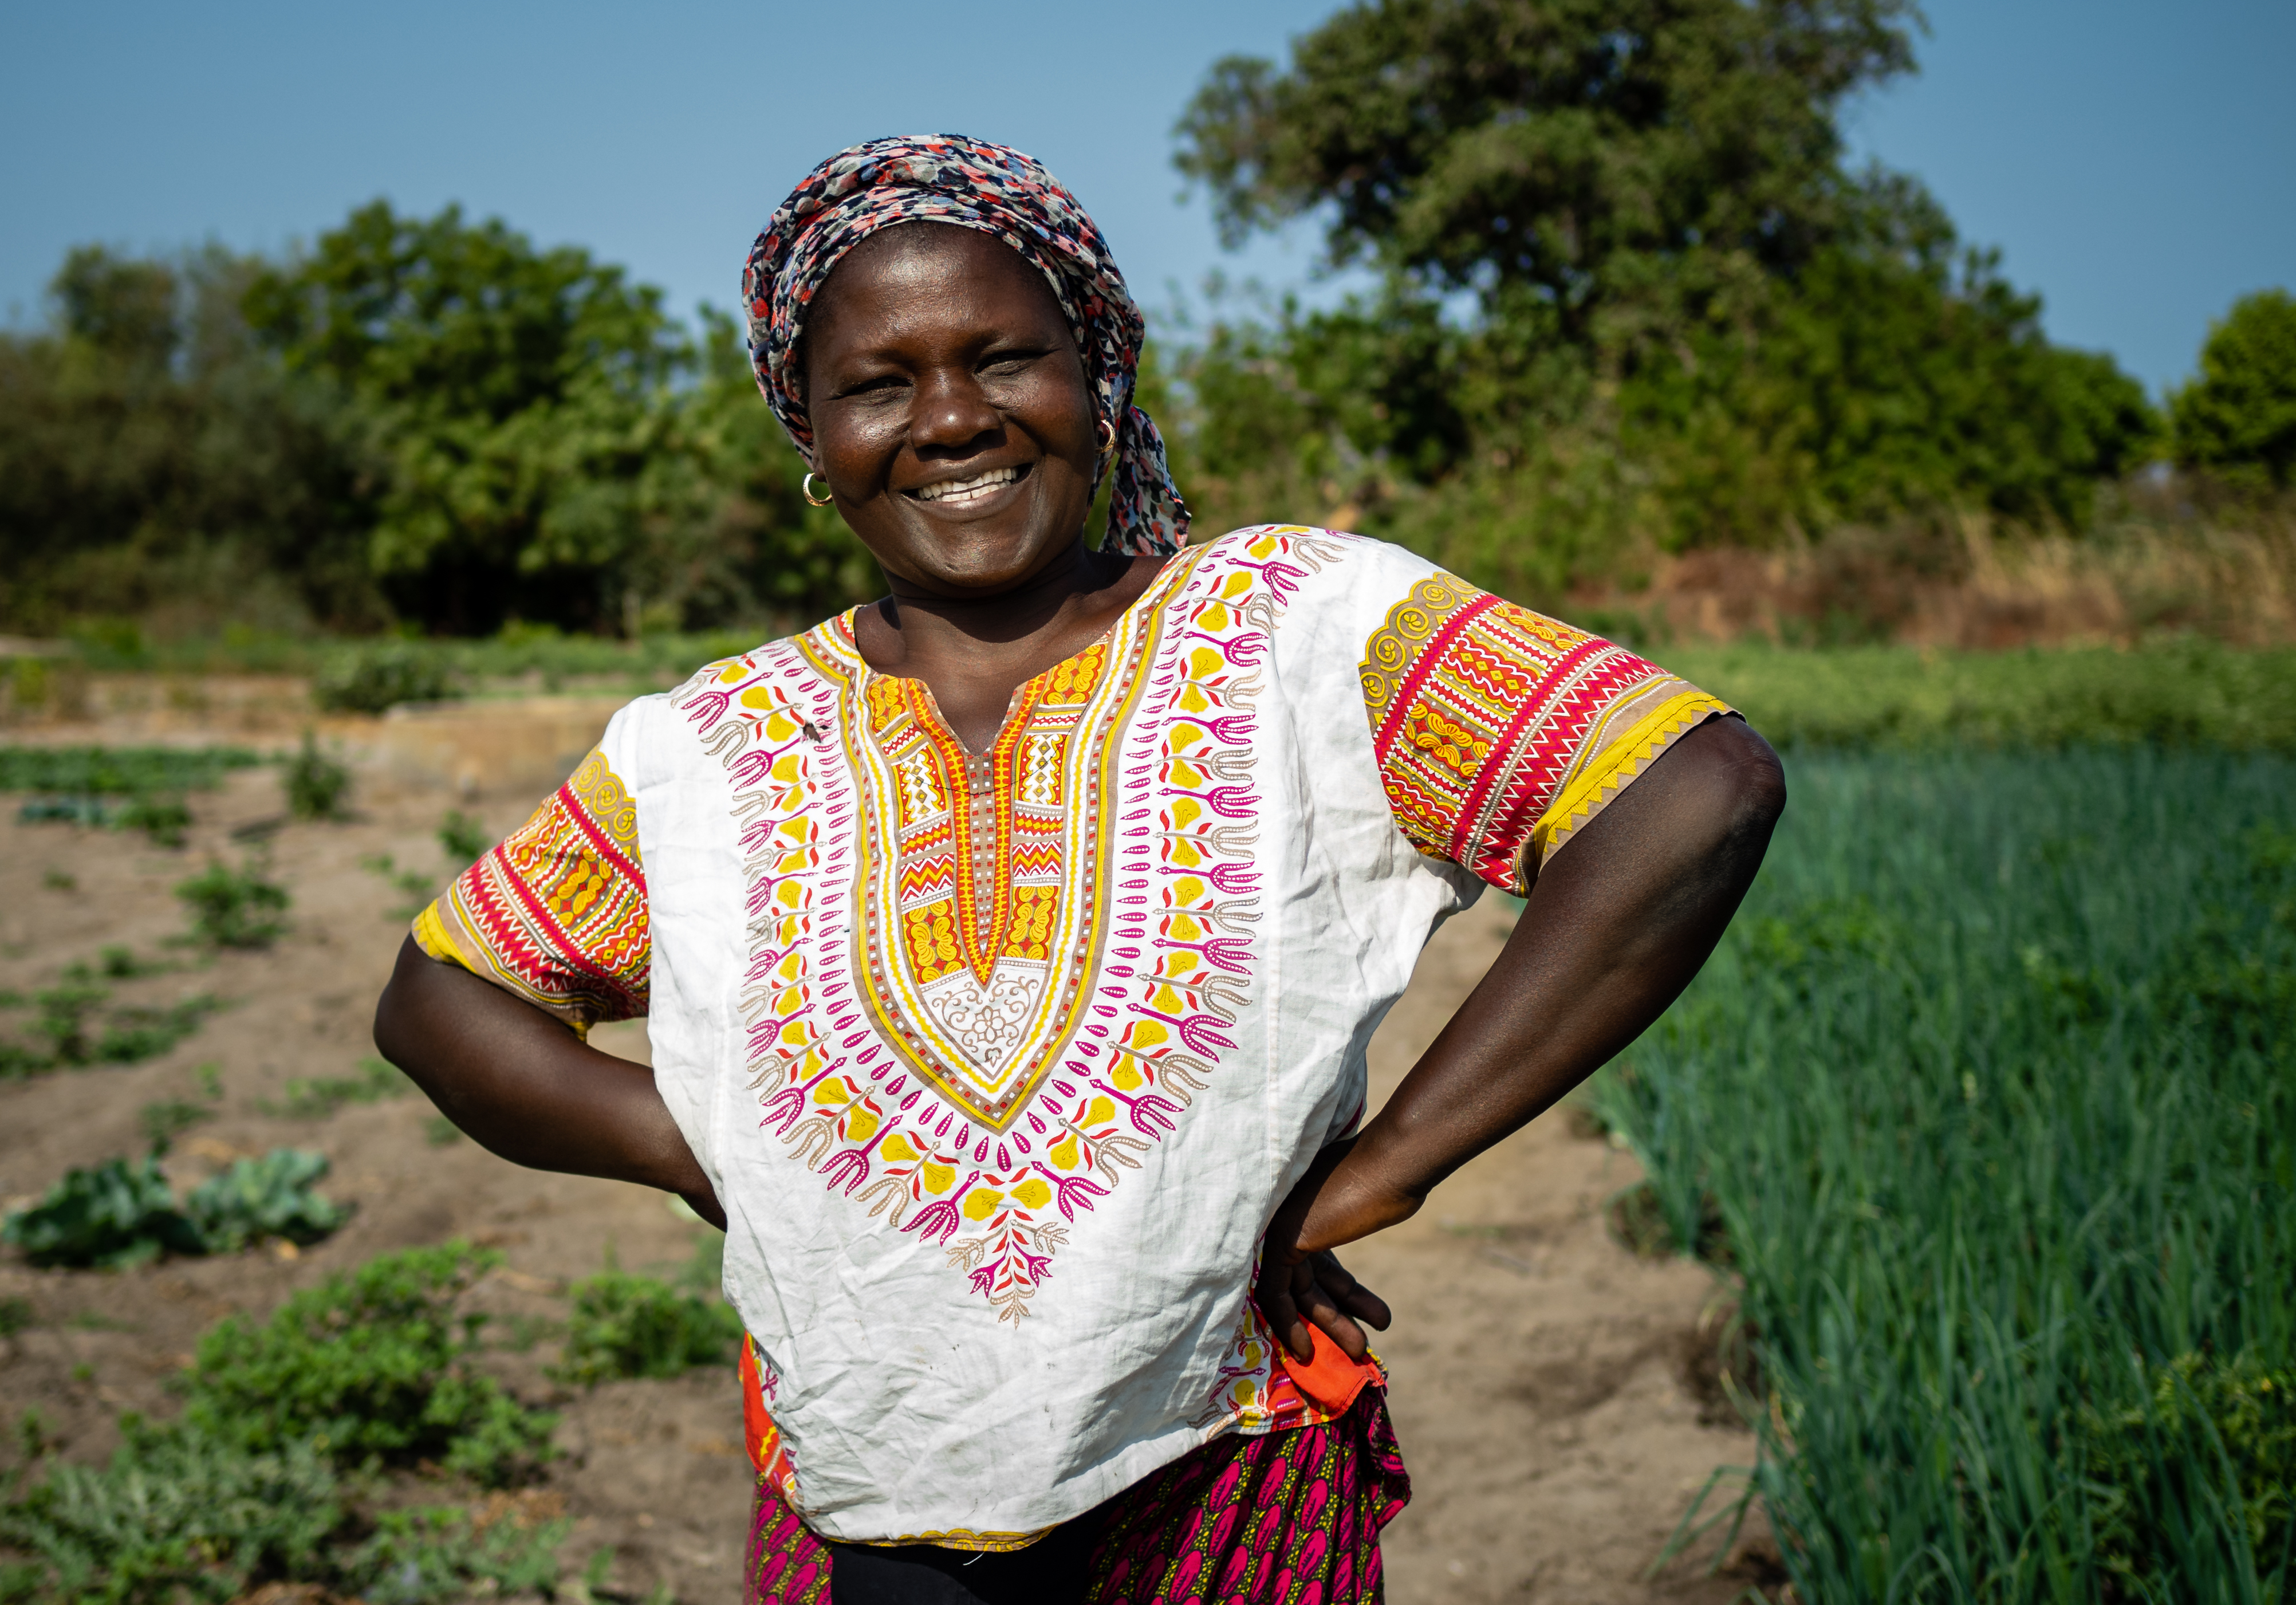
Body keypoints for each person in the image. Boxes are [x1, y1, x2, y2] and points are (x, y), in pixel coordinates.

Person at [375, 134, 1786, 1604]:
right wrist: (723, 1150)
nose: (949, 420)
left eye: (1004, 359)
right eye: (876, 383)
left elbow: (1690, 790)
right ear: (808, 431)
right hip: (863, 1481)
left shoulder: (1296, 629)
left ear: (1096, 377)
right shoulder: (715, 742)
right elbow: (442, 1000)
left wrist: (1390, 1169)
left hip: (1227, 1463)